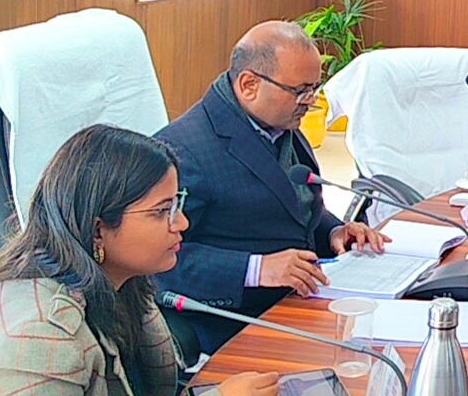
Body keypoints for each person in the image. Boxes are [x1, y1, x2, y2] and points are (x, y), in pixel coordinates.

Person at [155, 22, 386, 355]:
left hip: (304, 301)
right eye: (300, 91)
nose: (311, 101)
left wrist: (335, 231)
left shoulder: (278, 123)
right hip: (238, 323)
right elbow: (157, 261)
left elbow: (294, 206)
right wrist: (256, 268)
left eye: (315, 88)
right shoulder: (181, 150)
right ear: (249, 84)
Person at [0, 125, 278, 396]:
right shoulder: (40, 336)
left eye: (176, 205)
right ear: (97, 231)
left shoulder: (126, 283)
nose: (182, 222)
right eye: (162, 211)